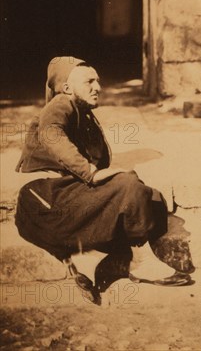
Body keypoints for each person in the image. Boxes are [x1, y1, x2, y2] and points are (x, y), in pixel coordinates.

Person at [15, 57, 191, 304]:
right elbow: (51, 135)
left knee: (147, 194)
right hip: (46, 198)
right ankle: (139, 260)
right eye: (89, 81)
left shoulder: (83, 115)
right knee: (128, 185)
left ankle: (86, 256)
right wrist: (90, 171)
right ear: (66, 88)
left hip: (66, 198)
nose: (98, 86)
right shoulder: (60, 105)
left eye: (98, 80)